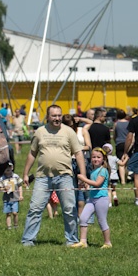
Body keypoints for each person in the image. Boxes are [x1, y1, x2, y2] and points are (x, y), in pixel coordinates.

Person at [20, 104, 86, 247]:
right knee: (35, 208)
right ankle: (28, 240)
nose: (57, 118)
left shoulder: (69, 132)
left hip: (65, 176)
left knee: (69, 208)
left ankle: (72, 240)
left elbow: (79, 153)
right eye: (54, 115)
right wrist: (25, 173)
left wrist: (83, 176)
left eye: (59, 115)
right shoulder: (40, 132)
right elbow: (32, 153)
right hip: (43, 177)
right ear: (48, 117)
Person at [71, 147, 112, 248]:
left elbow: (98, 183)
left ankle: (107, 243)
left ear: (103, 159)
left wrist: (84, 178)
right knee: (83, 218)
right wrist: (86, 185)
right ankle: (83, 241)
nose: (96, 159)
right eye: (93, 157)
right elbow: (93, 185)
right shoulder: (93, 171)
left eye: (98, 157)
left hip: (101, 199)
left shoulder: (103, 171)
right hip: (92, 199)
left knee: (102, 221)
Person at [0, 163, 23, 230]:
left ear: (12, 168)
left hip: (15, 198)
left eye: (9, 167)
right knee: (8, 213)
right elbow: (0, 188)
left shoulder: (16, 176)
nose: (8, 168)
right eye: (6, 167)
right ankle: (9, 227)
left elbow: (20, 186)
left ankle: (16, 225)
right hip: (6, 199)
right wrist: (4, 188)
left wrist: (21, 195)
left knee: (15, 213)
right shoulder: (2, 178)